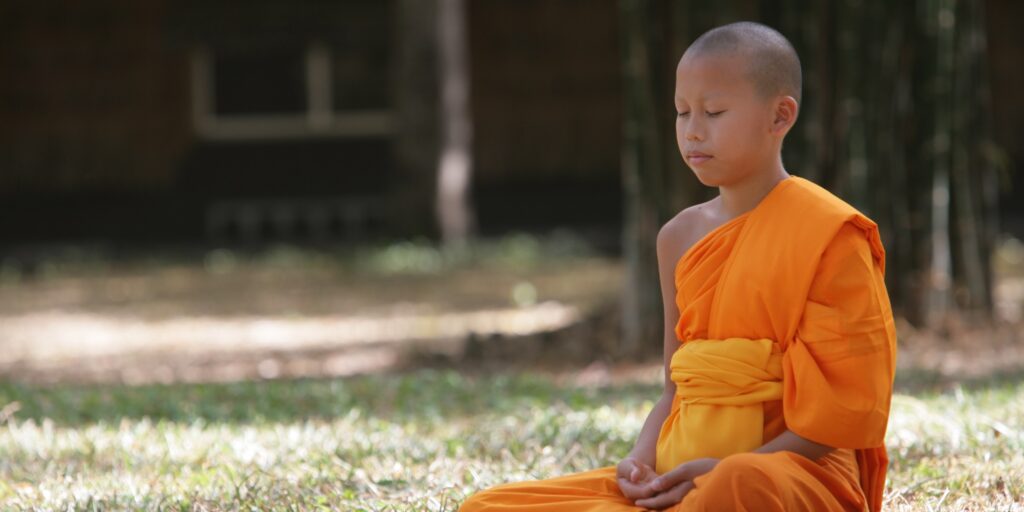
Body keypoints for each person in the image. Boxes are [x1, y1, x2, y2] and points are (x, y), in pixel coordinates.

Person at [458, 20, 896, 512]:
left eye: (713, 112)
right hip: (680, 469)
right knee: (488, 505)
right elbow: (675, 388)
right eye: (682, 112)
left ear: (780, 116)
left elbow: (842, 416)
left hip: (788, 473)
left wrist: (719, 470)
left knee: (738, 483)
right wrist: (640, 464)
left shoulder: (830, 234)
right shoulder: (678, 237)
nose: (692, 130)